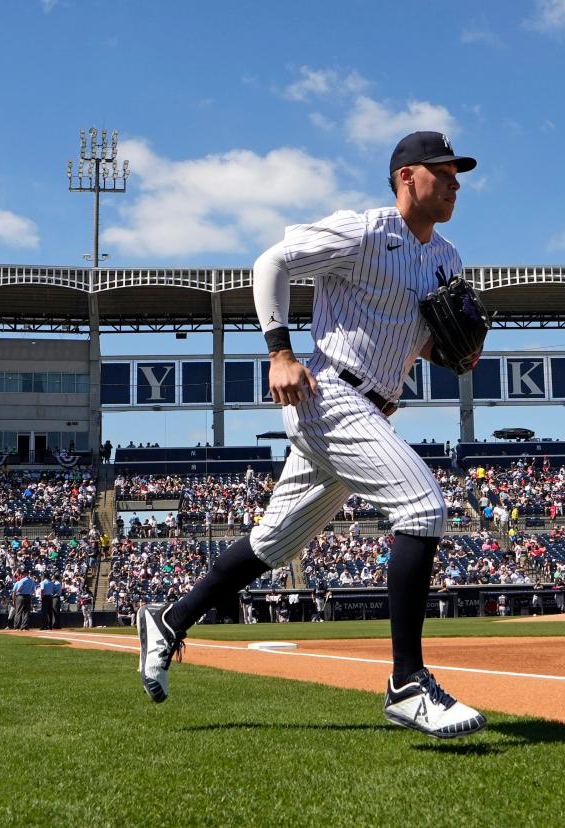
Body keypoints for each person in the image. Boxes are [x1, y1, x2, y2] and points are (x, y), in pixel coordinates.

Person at [136, 131, 486, 738]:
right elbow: (271, 262)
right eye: (444, 170)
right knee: (423, 505)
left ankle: (168, 619)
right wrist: (279, 353)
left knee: (274, 544)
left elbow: (419, 334)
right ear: (407, 176)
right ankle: (406, 684)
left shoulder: (447, 259)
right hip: (329, 395)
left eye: (458, 172)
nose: (455, 181)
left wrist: (452, 353)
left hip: (373, 406)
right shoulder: (363, 232)